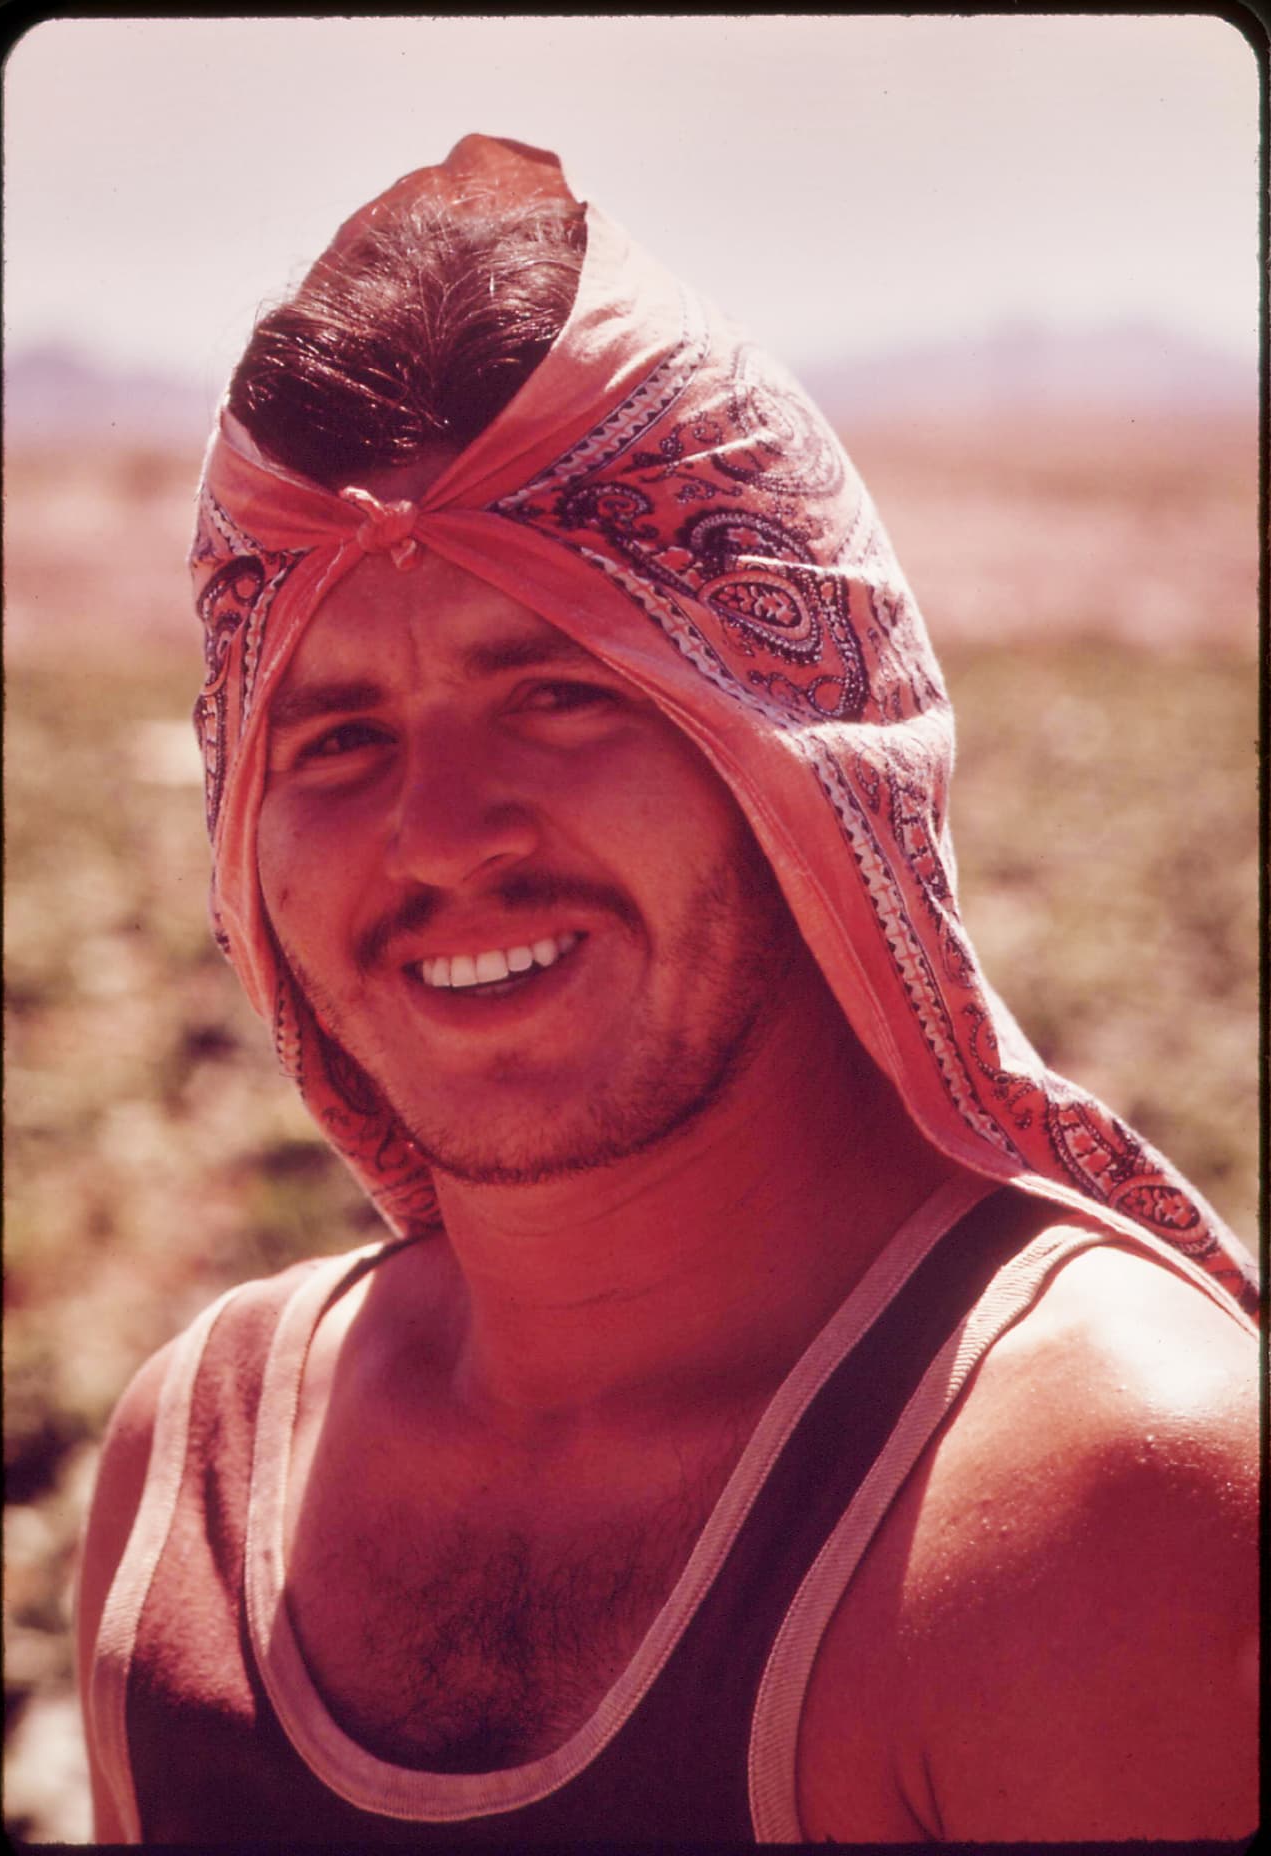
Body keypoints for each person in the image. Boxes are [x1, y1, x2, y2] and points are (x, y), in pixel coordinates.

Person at [76, 135, 1258, 1844]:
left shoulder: (1094, 1507)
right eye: (336, 738)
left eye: (559, 695)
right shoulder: (192, 1469)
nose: (442, 836)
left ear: (804, 751)